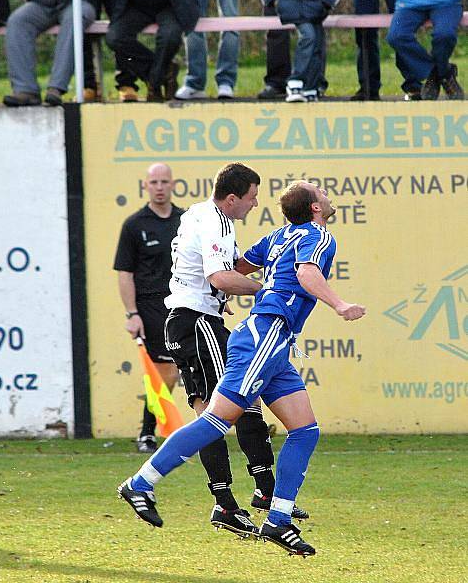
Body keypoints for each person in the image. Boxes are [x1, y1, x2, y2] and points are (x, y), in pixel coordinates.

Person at [119, 180, 366, 556]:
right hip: (264, 338)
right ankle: (141, 482)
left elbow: (239, 266)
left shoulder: (280, 235)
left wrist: (225, 289)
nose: (329, 199)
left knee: (305, 429)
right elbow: (306, 275)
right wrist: (339, 304)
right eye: (324, 195)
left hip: (275, 342)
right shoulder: (318, 235)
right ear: (315, 208)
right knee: (217, 420)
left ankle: (278, 521)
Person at [141, 162, 305, 537]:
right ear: (232, 198)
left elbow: (199, 272)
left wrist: (217, 295)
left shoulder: (197, 213)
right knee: (239, 402)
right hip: (197, 322)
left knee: (209, 413)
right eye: (251, 198)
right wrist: (269, 290)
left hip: (189, 320)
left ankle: (226, 503)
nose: (254, 204)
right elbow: (218, 275)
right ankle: (265, 490)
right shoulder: (215, 220)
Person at [113, 163, 184, 453]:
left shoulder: (185, 220)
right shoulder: (134, 224)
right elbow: (124, 272)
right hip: (150, 305)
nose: (159, 187)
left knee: (179, 370)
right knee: (164, 370)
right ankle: (148, 432)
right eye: (154, 181)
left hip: (182, 302)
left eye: (164, 181)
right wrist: (132, 313)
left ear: (172, 185)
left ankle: (161, 430)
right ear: (146, 186)